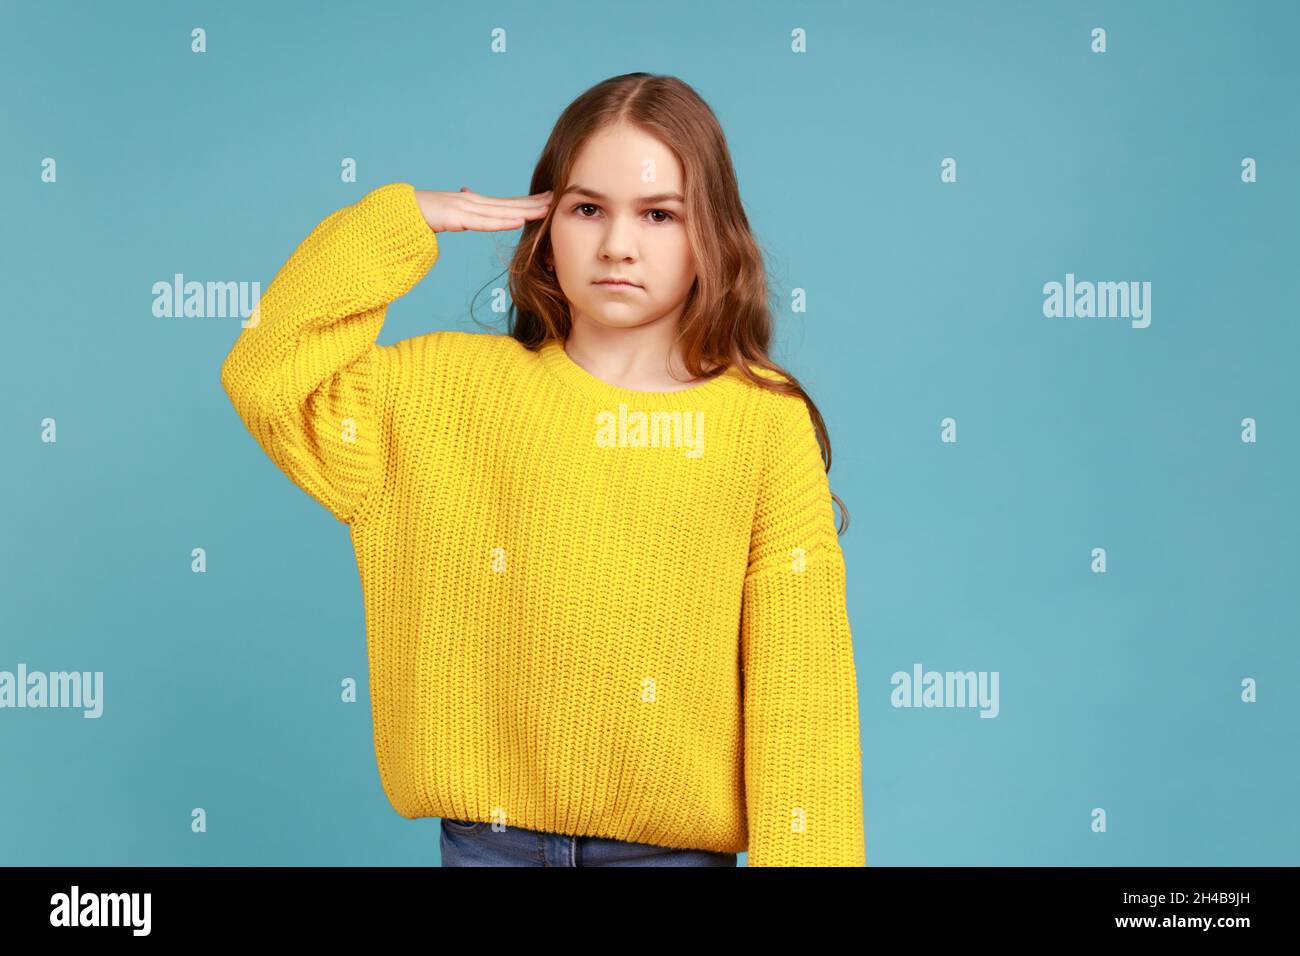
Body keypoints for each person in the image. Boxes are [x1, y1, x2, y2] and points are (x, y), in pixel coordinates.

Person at [219, 72, 865, 867]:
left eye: (658, 214)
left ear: (712, 235)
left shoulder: (762, 423)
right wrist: (400, 221)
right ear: (544, 223)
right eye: (587, 208)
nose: (617, 244)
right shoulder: (440, 392)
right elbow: (267, 370)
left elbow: (804, 695)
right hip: (485, 848)